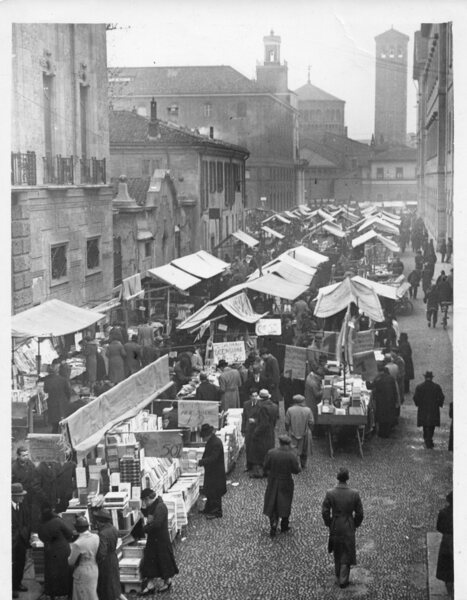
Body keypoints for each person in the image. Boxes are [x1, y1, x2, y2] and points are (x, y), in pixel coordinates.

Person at [322, 467, 364, 589]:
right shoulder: (354, 493)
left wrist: (329, 523)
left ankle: (338, 573)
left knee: (337, 549)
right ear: (347, 478)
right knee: (347, 550)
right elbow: (360, 513)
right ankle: (343, 579)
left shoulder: (330, 493)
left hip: (335, 523)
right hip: (348, 524)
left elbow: (325, 511)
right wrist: (355, 524)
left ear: (337, 478)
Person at [139, 490, 178, 594]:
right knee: (151, 561)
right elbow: (147, 513)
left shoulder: (160, 507)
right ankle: (151, 585)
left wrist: (144, 529)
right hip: (154, 539)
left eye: (144, 501)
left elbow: (157, 524)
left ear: (148, 499)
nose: (144, 503)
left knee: (163, 561)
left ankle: (167, 581)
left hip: (161, 540)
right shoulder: (153, 506)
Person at [263, 434, 301, 537]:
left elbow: (266, 466)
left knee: (272, 501)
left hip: (273, 481)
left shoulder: (271, 453)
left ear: (279, 443)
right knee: (285, 502)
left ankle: (273, 523)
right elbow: (296, 470)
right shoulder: (291, 455)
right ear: (288, 444)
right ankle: (284, 525)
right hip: (286, 482)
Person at [38, 503, 74, 600]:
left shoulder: (41, 523)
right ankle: (64, 593)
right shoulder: (57, 521)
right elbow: (69, 533)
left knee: (51, 572)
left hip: (49, 550)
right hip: (62, 549)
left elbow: (41, 537)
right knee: (63, 571)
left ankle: (51, 593)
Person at [198, 423, 227, 519]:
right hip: (212, 471)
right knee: (210, 491)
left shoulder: (216, 443)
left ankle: (217, 512)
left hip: (216, 473)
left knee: (215, 493)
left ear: (207, 435)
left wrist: (201, 462)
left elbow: (213, 458)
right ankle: (209, 508)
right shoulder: (213, 441)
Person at [68, 516, 100, 600]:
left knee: (82, 596)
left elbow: (71, 562)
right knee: (92, 594)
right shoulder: (96, 537)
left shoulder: (77, 543)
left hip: (82, 572)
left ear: (76, 528)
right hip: (94, 568)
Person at [94, 509, 123, 600]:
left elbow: (102, 552)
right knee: (114, 582)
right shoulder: (113, 528)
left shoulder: (102, 533)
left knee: (106, 586)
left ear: (101, 522)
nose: (96, 523)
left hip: (106, 562)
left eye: (97, 521)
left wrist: (96, 559)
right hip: (113, 557)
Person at [250, 389, 279, 478]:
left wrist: (255, 432)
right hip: (270, 432)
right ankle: (268, 470)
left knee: (259, 453)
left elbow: (263, 424)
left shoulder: (263, 408)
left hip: (263, 434)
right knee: (268, 451)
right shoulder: (274, 406)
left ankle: (259, 472)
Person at [413, 371, 445, 449]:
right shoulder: (437, 387)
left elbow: (415, 398)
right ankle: (429, 439)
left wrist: (418, 404)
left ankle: (426, 438)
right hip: (433, 409)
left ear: (425, 377)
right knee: (432, 425)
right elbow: (441, 397)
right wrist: (439, 404)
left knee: (425, 424)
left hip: (423, 408)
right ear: (432, 378)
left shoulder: (420, 387)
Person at [12, 446, 41, 530]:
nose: (26, 457)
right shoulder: (13, 468)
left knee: (32, 515)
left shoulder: (30, 464)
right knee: (21, 516)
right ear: (18, 456)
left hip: (31, 495)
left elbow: (36, 476)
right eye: (23, 455)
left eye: (27, 455)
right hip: (19, 496)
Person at [366, 365, 398, 437]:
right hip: (390, 401)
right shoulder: (391, 378)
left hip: (381, 401)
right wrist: (396, 400)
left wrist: (366, 379)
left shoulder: (378, 379)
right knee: (388, 417)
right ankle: (387, 432)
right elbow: (395, 390)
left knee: (382, 417)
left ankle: (382, 433)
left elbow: (370, 386)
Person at [12, 483, 31, 599]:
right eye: (20, 495)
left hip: (22, 541)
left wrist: (25, 535)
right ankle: (11, 588)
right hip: (12, 543)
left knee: (20, 563)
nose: (23, 497)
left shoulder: (23, 506)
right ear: (12, 496)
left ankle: (17, 583)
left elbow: (27, 523)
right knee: (11, 565)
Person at [284, 394, 314, 469]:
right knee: (304, 449)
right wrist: (310, 430)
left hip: (293, 431)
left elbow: (287, 422)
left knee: (293, 448)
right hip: (305, 432)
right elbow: (311, 422)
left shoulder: (290, 410)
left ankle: (294, 464)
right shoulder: (308, 410)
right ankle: (303, 464)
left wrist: (288, 430)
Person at [43, 362, 72, 432]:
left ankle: (54, 434)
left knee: (54, 423)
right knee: (62, 421)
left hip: (52, 401)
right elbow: (68, 391)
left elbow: (45, 390)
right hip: (62, 402)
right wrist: (67, 400)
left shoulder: (47, 380)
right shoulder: (63, 380)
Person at [436, 492, 453, 598]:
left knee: (447, 571)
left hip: (447, 542)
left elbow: (439, 528)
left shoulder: (443, 513)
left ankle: (451, 594)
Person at [241, 390, 261, 472]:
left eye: (256, 396)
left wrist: (255, 421)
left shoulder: (260, 405)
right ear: (250, 397)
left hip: (256, 429)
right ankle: (248, 464)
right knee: (248, 447)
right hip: (248, 429)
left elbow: (262, 419)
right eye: (253, 396)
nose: (255, 398)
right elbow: (244, 417)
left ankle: (255, 465)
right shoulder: (246, 404)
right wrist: (242, 429)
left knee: (256, 447)